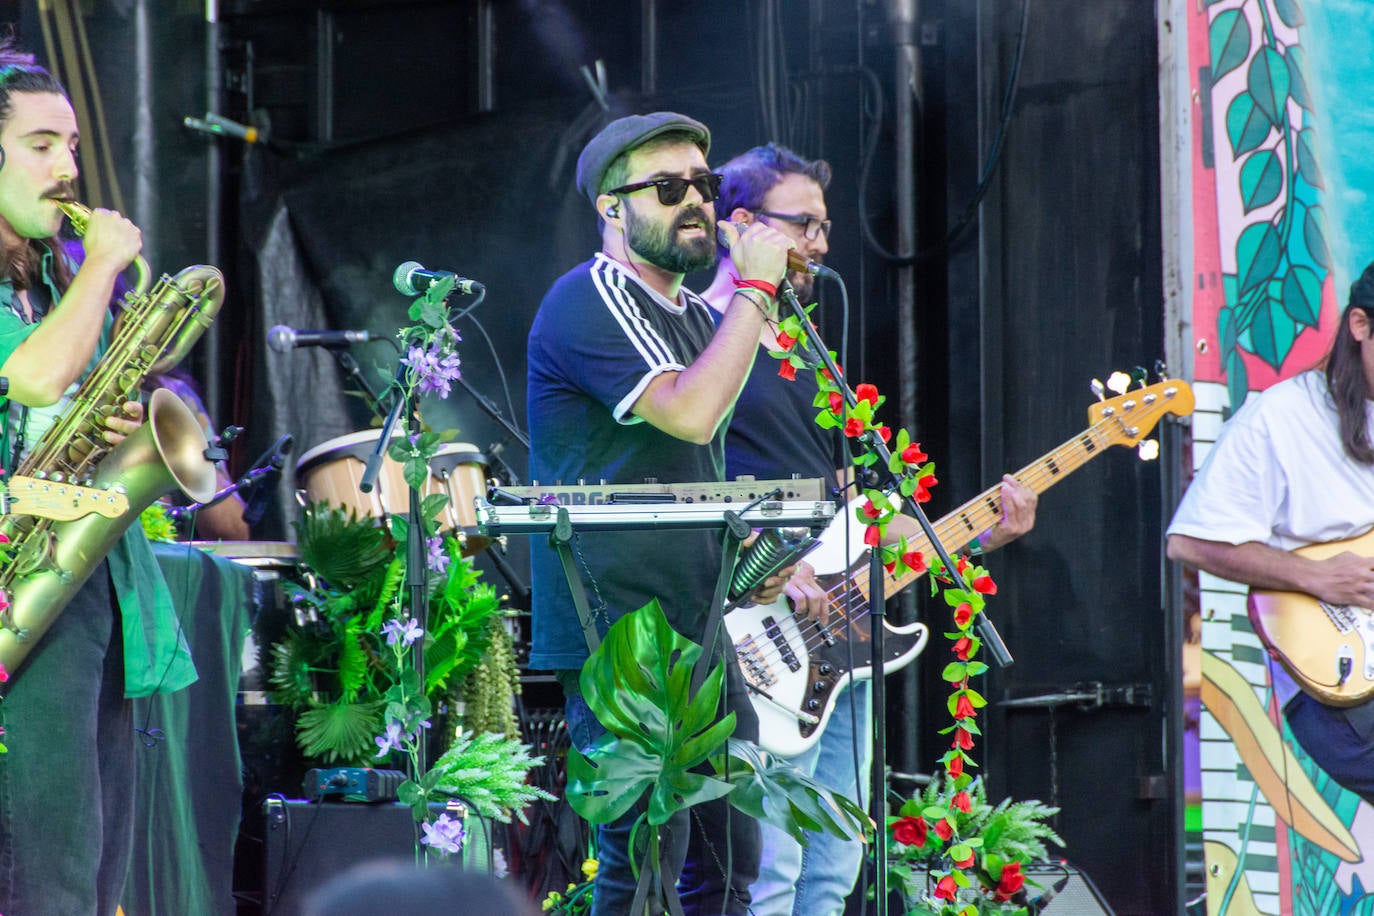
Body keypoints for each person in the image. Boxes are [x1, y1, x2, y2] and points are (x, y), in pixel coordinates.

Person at [701, 142, 1037, 915]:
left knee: (836, 862)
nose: (820, 245)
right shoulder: (707, 337)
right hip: (762, 627)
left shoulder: (808, 349)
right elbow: (692, 474)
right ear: (742, 224)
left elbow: (864, 517)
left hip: (839, 635)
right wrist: (776, 562)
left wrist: (979, 537)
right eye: (804, 225)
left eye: (824, 228)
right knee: (774, 866)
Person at [527, 112, 819, 915]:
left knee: (730, 861)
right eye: (667, 187)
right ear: (612, 209)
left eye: (704, 183)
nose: (695, 201)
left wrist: (752, 550)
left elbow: (697, 465)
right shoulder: (587, 298)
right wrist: (756, 290)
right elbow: (688, 415)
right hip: (618, 624)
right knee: (644, 865)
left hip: (695, 619)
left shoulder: (696, 317)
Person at [0, 43, 199, 914]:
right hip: (20, 588)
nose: (68, 168)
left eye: (72, 146)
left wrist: (115, 429)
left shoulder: (49, 279)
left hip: (80, 574)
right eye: (42, 144)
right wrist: (108, 266)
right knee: (46, 874)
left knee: (93, 869)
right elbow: (34, 381)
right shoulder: (77, 280)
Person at [1168, 261, 1374, 802]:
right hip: (1341, 685)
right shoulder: (1281, 418)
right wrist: (1315, 578)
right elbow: (1190, 541)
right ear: (1359, 325)